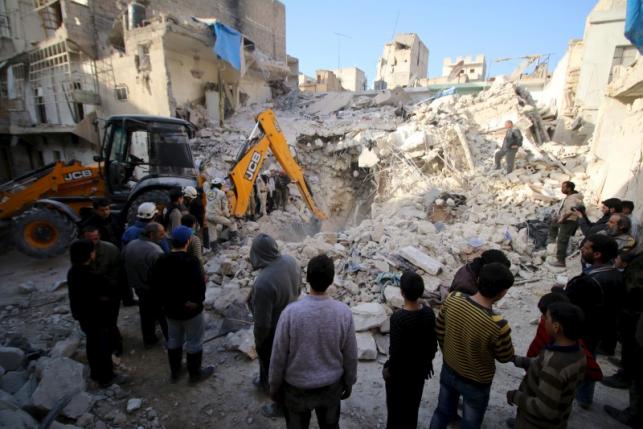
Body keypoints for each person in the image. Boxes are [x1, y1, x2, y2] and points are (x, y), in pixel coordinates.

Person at [269, 254, 357, 429]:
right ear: (331, 280)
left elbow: (278, 355)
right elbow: (350, 354)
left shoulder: (291, 313)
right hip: (331, 387)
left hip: (296, 389)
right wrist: (349, 381)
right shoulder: (343, 312)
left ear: (307, 278)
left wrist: (274, 386)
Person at [429, 263, 515, 429]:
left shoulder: (453, 298)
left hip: (449, 368)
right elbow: (505, 356)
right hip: (476, 382)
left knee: (442, 412)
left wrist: (449, 352)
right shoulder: (498, 325)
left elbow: (439, 329)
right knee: (470, 423)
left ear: (477, 280)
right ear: (502, 292)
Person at [556, 234, 623, 408]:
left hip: (583, 329)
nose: (582, 251)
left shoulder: (589, 280)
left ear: (597, 254)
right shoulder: (616, 274)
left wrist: (559, 293)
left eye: (586, 248)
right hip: (601, 328)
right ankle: (585, 397)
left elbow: (570, 306)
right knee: (589, 359)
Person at [507, 302, 587, 429]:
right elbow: (542, 364)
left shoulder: (555, 365)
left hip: (536, 423)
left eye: (546, 317)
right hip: (559, 418)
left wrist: (516, 396)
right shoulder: (577, 351)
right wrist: (517, 360)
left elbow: (545, 409)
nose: (542, 319)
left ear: (556, 327)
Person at [150, 226, 213, 384]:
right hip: (190, 310)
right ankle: (194, 374)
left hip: (170, 310)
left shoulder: (161, 260)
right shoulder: (192, 262)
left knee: (174, 339)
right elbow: (200, 286)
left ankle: (175, 372)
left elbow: (155, 285)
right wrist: (196, 302)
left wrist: (164, 304)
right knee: (194, 341)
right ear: (188, 241)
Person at [249, 233, 301, 417]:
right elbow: (299, 289)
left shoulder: (263, 282)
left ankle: (280, 405)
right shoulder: (291, 261)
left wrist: (259, 341)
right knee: (281, 362)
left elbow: (262, 323)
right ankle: (264, 382)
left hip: (275, 330)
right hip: (293, 320)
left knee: (273, 363)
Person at [67, 239, 127, 387]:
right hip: (98, 318)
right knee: (103, 347)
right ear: (89, 255)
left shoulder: (73, 272)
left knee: (92, 345)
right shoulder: (93, 276)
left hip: (84, 317)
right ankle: (106, 377)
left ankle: (96, 373)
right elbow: (109, 293)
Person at [383, 271, 437, 429]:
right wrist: (427, 364)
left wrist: (389, 369)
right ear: (421, 292)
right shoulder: (428, 313)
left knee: (395, 413)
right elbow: (432, 345)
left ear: (402, 292)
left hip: (400, 375)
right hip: (419, 372)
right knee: (412, 409)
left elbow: (396, 351)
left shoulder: (398, 318)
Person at [603, 251, 643, 427]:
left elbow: (635, 288)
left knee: (638, 360)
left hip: (634, 311)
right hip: (634, 312)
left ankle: (635, 413)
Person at [122, 222, 168, 348]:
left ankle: (149, 339)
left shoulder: (131, 244)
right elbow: (162, 276)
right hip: (153, 289)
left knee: (145, 313)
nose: (164, 235)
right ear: (151, 234)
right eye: (161, 233)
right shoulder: (155, 251)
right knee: (162, 314)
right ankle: (171, 340)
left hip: (138, 287)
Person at [82, 226, 124, 356]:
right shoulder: (81, 250)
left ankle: (116, 346)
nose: (93, 242)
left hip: (110, 294)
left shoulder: (110, 250)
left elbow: (118, 274)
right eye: (90, 239)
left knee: (111, 322)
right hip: (93, 296)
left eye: (96, 238)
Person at [548, 181, 584, 267]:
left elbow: (571, 210)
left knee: (562, 239)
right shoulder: (571, 196)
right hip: (567, 219)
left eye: (564, 187)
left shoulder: (572, 198)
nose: (562, 189)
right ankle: (552, 242)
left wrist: (563, 219)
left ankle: (561, 260)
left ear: (569, 188)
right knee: (553, 224)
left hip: (569, 221)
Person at [205, 178, 238, 248]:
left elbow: (205, 184)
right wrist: (229, 216)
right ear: (219, 185)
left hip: (207, 215)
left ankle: (214, 249)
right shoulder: (221, 193)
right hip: (215, 215)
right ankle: (234, 241)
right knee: (232, 223)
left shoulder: (207, 191)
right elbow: (225, 208)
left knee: (212, 233)